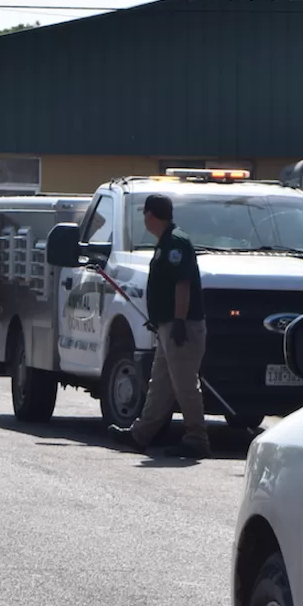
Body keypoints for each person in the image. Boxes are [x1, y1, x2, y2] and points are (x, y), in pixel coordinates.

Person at [108, 194, 209, 459]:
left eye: (145, 214)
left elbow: (182, 284)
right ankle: (140, 435)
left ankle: (196, 439)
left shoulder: (175, 242)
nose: (144, 219)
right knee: (161, 384)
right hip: (168, 326)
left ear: (151, 215)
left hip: (182, 327)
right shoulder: (166, 242)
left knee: (185, 384)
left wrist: (179, 321)